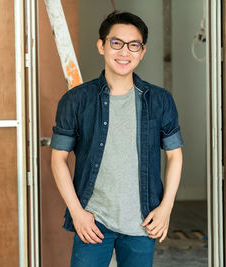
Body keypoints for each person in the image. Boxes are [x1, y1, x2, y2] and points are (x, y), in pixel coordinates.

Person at [50, 11, 183, 267]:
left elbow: (175, 155)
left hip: (143, 220)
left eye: (134, 45)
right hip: (93, 219)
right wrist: (78, 213)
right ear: (101, 46)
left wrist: (165, 208)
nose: (125, 52)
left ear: (142, 52)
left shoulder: (160, 100)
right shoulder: (76, 101)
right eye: (116, 43)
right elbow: (58, 159)